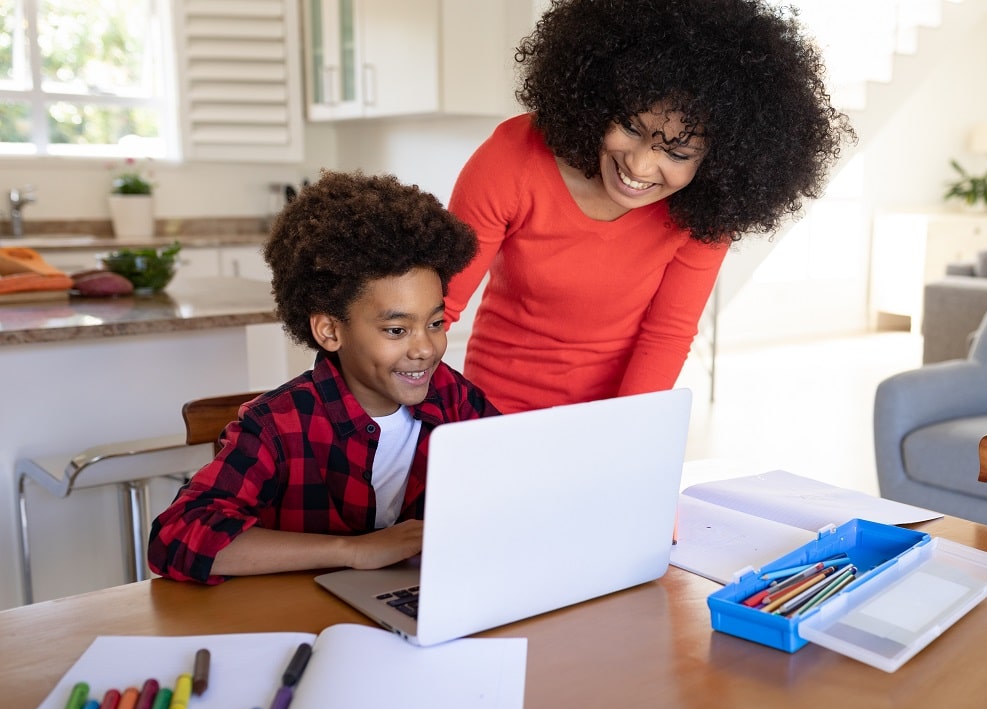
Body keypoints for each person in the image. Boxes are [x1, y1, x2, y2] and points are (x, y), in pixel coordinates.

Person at [444, 0, 854, 413]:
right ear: (599, 101)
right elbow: (437, 306)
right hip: (492, 410)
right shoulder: (513, 159)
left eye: (677, 154)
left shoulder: (705, 212)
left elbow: (667, 334)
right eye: (630, 127)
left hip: (617, 415)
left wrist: (624, 435)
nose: (639, 166)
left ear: (717, 162)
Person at [148, 170, 499, 584]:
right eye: (396, 330)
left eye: (436, 323)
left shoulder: (454, 399)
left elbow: (520, 488)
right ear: (330, 331)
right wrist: (353, 551)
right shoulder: (277, 426)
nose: (425, 348)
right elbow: (176, 537)